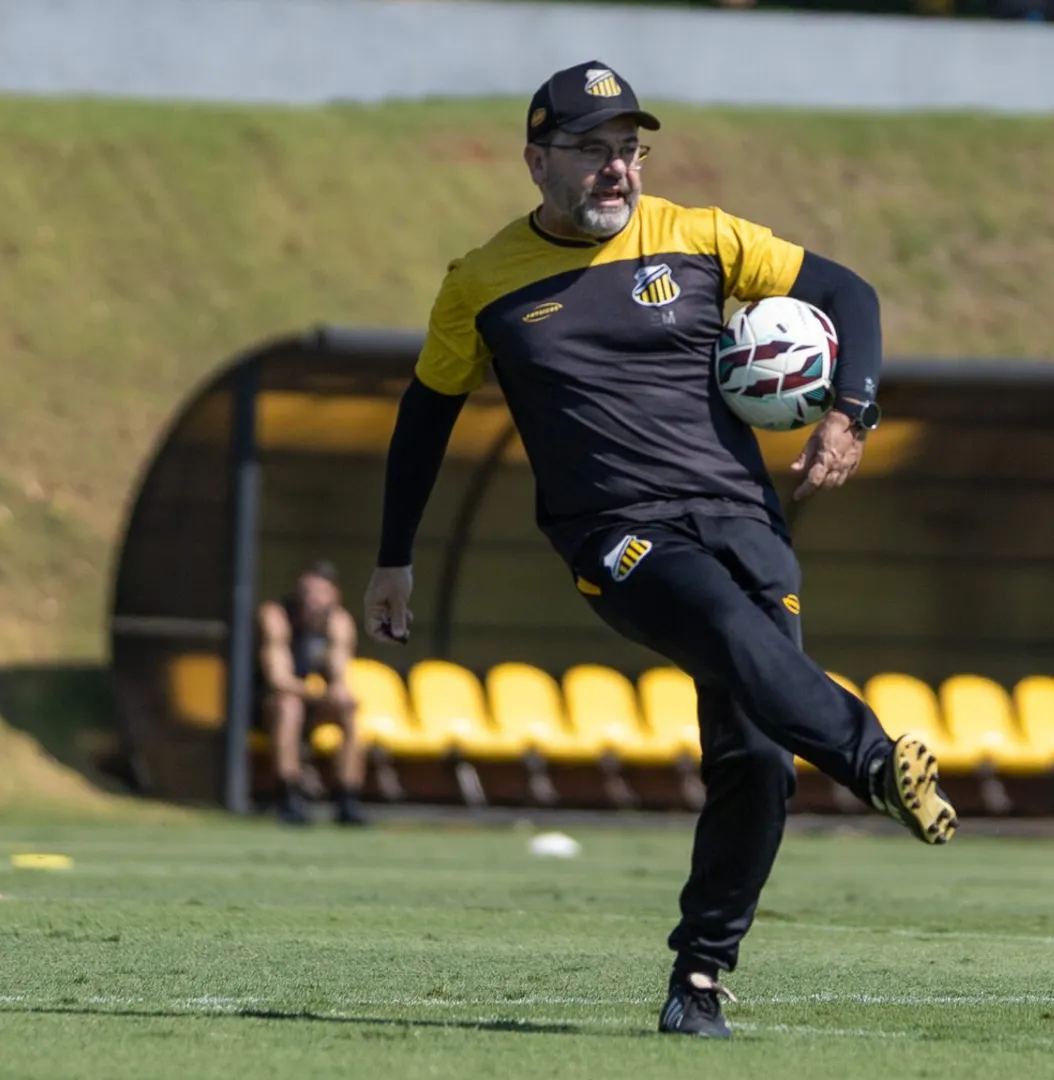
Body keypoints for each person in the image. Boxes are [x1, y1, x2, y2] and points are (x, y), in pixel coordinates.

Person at [362, 60, 958, 1039]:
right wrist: (394, 555)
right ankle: (875, 759)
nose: (617, 170)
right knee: (723, 627)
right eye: (592, 150)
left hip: (745, 521)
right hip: (618, 533)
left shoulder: (704, 237)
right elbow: (426, 415)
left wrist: (851, 413)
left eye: (630, 151)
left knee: (757, 759)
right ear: (535, 160)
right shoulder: (482, 284)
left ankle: (701, 981)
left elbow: (850, 294)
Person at [256, 559, 368, 826]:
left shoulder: (339, 621)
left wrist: (337, 693)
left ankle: (347, 799)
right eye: (306, 591)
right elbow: (278, 679)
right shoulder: (276, 616)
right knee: (289, 706)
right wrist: (318, 695)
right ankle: (289, 796)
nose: (312, 599)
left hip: (311, 702)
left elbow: (339, 676)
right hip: (264, 705)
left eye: (319, 592)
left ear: (334, 595)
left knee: (348, 707)